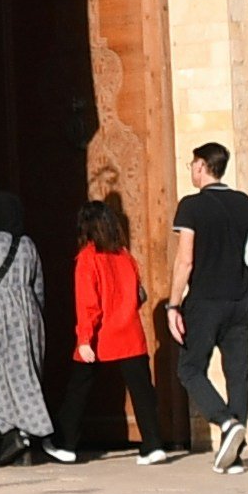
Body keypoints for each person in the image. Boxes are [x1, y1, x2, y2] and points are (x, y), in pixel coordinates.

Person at [170, 141, 248, 469]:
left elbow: (185, 260)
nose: (192, 171)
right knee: (238, 373)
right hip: (241, 298)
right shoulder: (246, 204)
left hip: (205, 300)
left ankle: (226, 422)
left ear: (201, 166)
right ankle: (234, 456)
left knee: (189, 368)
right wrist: (245, 284)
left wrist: (173, 305)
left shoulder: (191, 206)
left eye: (192, 165)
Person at [65, 196, 178, 462]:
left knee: (78, 390)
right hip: (130, 333)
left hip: (100, 335)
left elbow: (88, 303)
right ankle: (153, 444)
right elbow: (139, 295)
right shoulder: (125, 256)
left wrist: (84, 338)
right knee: (142, 392)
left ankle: (65, 443)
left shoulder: (87, 258)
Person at [0, 189, 72, 465]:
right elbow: (38, 286)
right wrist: (35, 316)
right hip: (29, 315)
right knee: (26, 377)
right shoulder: (27, 245)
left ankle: (13, 433)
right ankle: (25, 434)